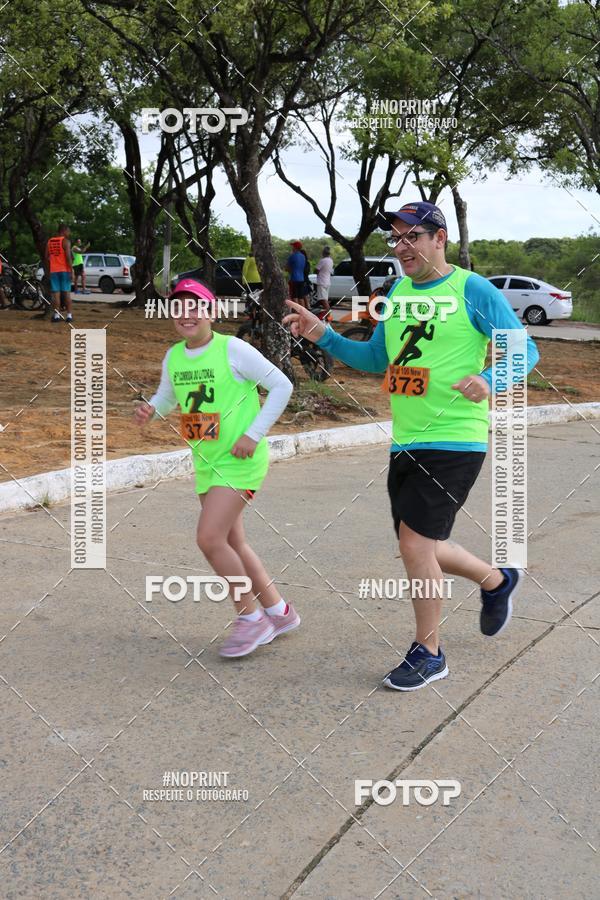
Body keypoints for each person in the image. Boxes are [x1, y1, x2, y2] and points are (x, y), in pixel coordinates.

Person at [284, 200, 539, 691]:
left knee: (415, 544)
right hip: (406, 441)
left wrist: (491, 378)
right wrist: (323, 334)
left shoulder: (472, 289)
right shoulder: (398, 291)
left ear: (438, 239)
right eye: (395, 239)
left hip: (456, 439)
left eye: (412, 237)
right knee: (427, 544)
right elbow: (377, 357)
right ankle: (496, 580)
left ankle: (429, 652)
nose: (401, 248)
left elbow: (524, 349)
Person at [134, 278, 299, 658]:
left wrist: (254, 435)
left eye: (195, 307)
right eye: (178, 308)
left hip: (240, 460)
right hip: (206, 461)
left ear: (210, 312)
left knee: (209, 539)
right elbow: (168, 397)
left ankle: (250, 618)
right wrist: (151, 410)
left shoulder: (233, 349)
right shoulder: (174, 356)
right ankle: (279, 611)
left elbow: (282, 386)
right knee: (232, 541)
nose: (186, 315)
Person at [45, 224, 73, 323]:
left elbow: (46, 257)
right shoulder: (66, 242)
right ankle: (69, 316)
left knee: (56, 295)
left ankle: (56, 316)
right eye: (68, 231)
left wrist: (51, 267)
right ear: (64, 230)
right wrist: (71, 271)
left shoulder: (50, 241)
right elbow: (68, 258)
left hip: (54, 271)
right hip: (65, 270)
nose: (69, 233)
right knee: (66, 293)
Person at [286, 240, 309, 309]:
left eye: (293, 246)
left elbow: (286, 268)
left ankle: (296, 313)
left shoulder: (292, 256)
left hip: (294, 279)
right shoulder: (303, 256)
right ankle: (303, 313)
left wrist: (290, 270)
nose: (292, 248)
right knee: (301, 297)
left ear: (295, 247)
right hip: (301, 279)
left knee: (294, 297)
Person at [315, 245, 334, 313]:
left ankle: (328, 313)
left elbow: (316, 270)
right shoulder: (330, 260)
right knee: (324, 298)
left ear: (323, 253)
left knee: (323, 299)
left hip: (322, 282)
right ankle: (327, 313)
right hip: (327, 281)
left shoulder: (322, 260)